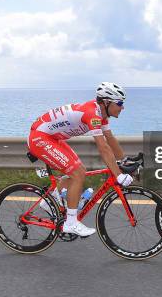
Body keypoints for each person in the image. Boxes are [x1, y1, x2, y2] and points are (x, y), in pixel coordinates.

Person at [27, 82, 133, 237]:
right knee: (77, 173)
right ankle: (71, 223)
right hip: (40, 137)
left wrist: (124, 161)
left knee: (80, 171)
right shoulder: (92, 113)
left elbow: (110, 139)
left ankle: (50, 201)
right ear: (106, 102)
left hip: (52, 138)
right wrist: (118, 175)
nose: (122, 107)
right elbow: (102, 147)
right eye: (119, 103)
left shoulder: (101, 115)